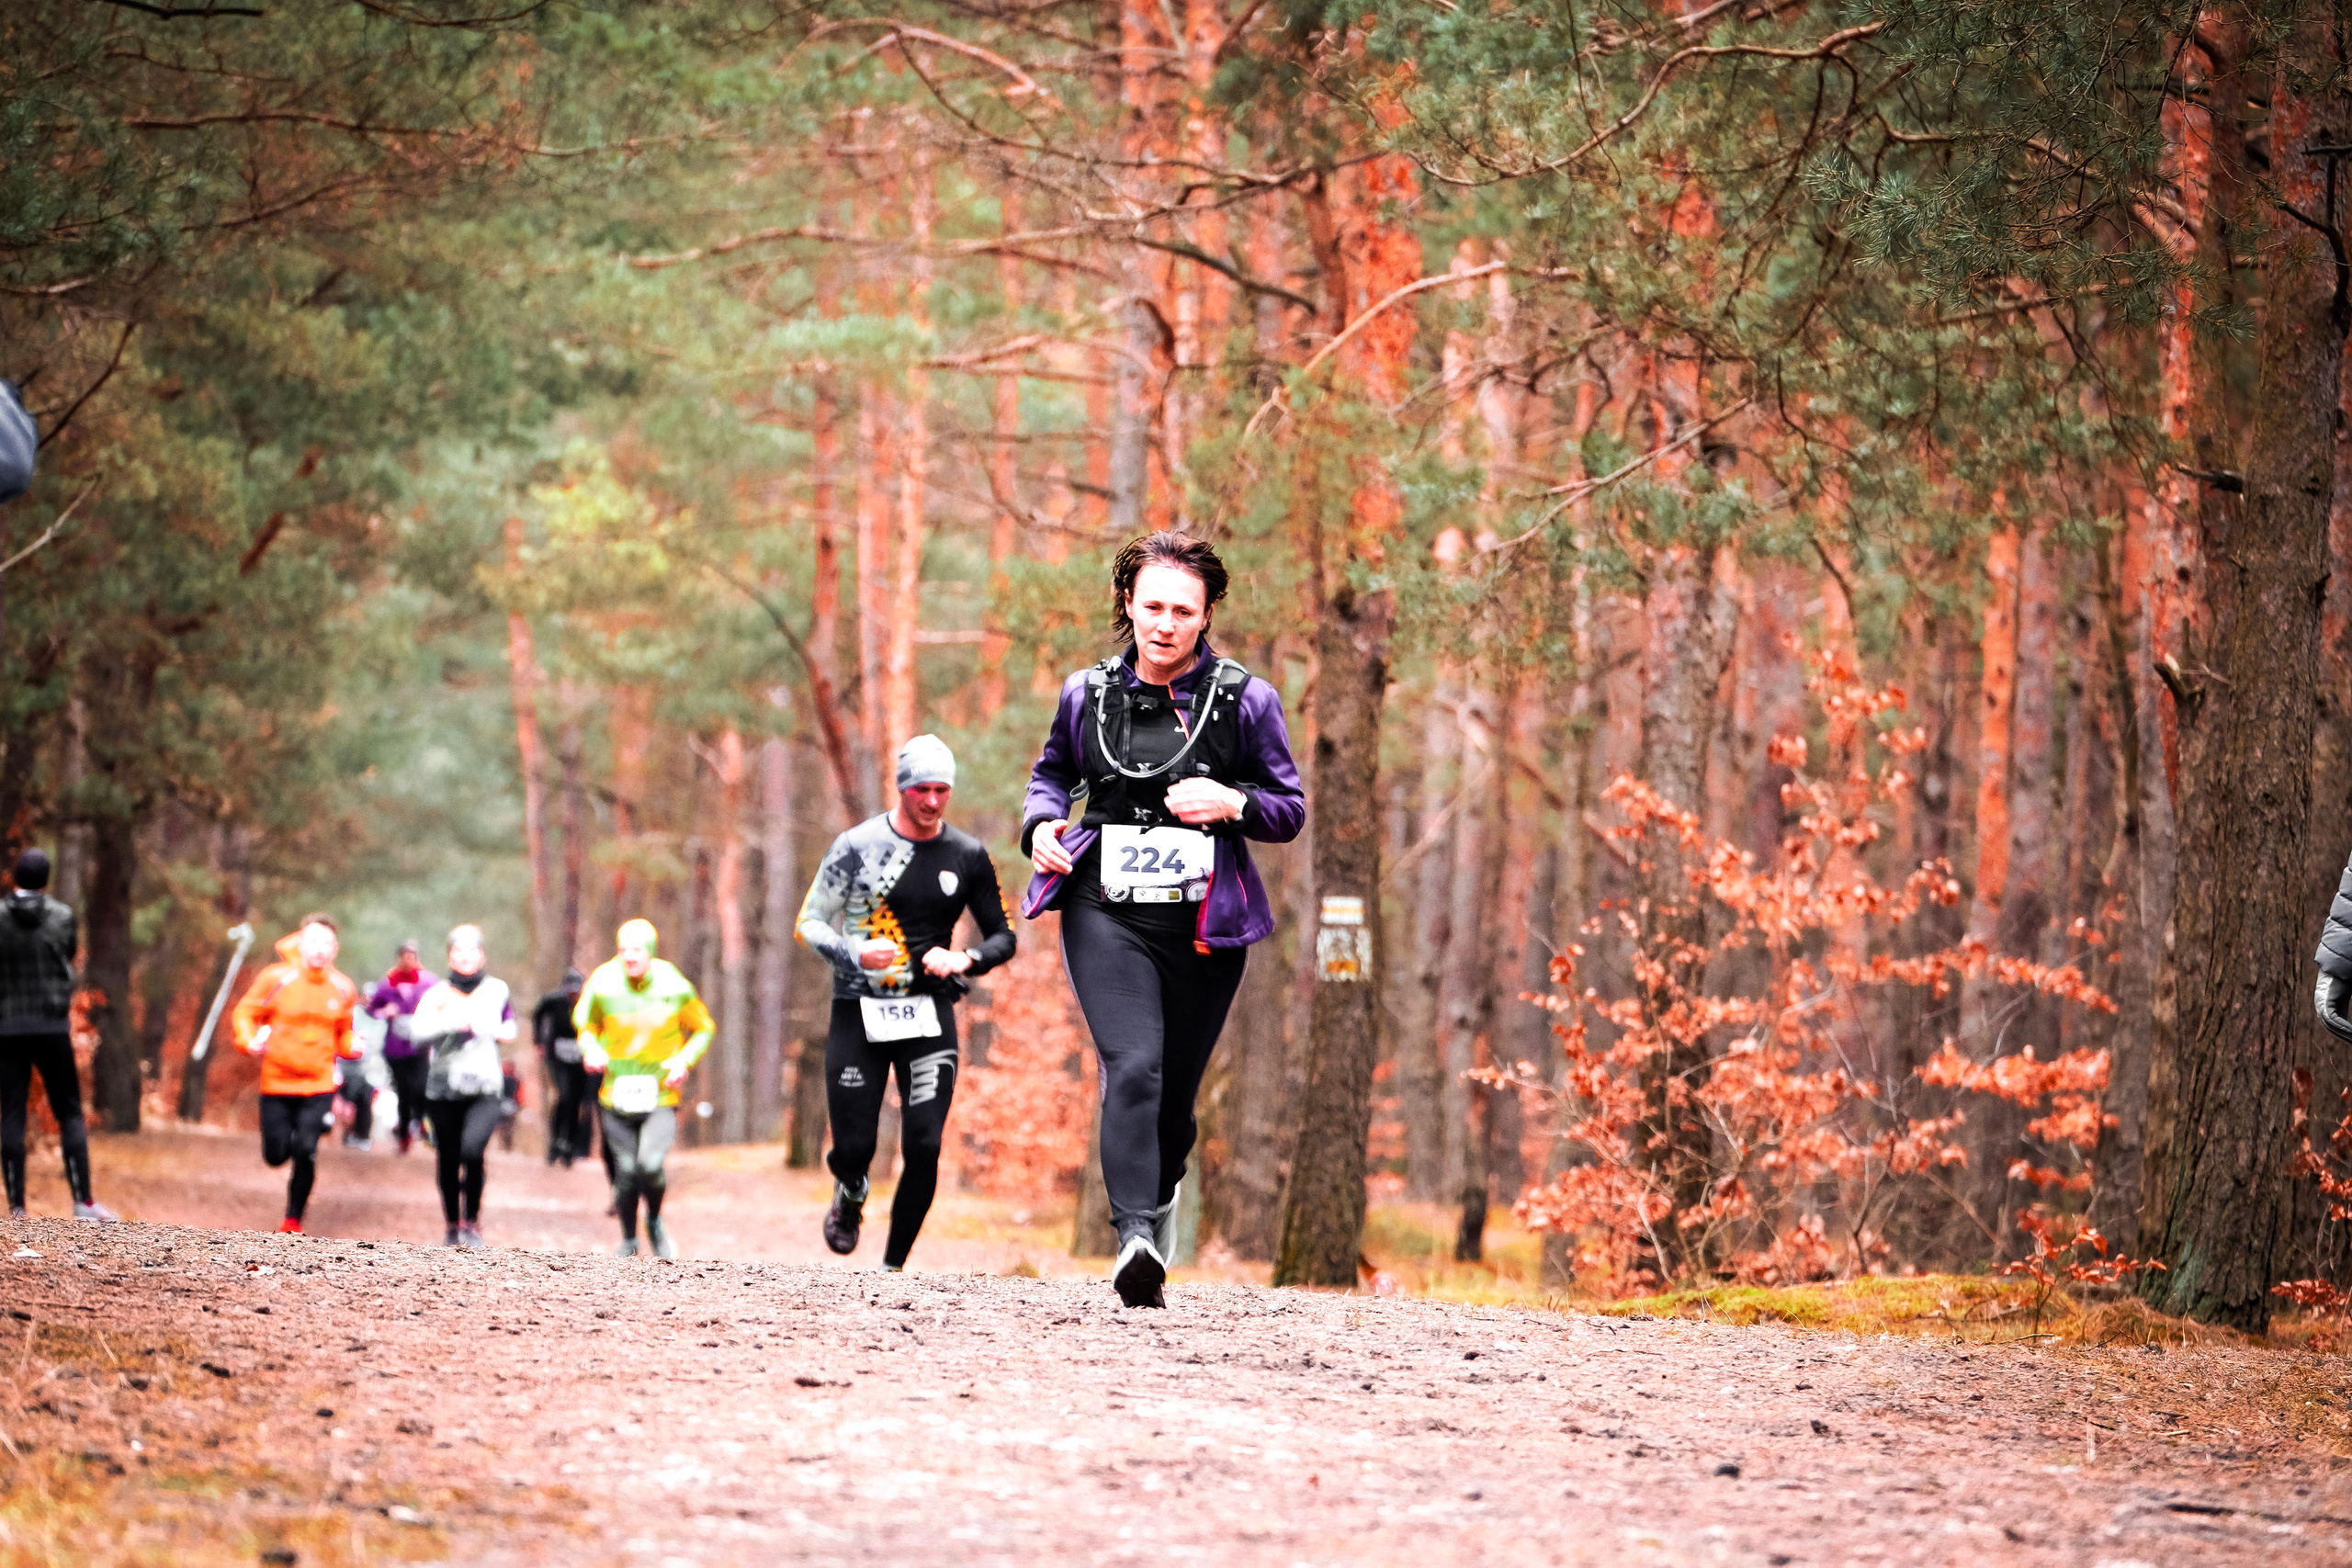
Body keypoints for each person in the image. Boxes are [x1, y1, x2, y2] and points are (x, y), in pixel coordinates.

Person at [1022, 531, 1303, 1307]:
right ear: (1128, 603)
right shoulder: (1086, 692)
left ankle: (1160, 1192)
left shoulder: (1246, 699)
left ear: (1207, 614)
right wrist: (1040, 825)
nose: (1166, 623)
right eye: (1152, 606)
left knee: (1173, 1103)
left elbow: (1289, 809)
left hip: (1204, 926)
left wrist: (1233, 800)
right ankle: (1135, 1237)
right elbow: (1052, 774)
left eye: (1183, 610)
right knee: (1134, 1065)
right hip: (1103, 907)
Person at [797, 734, 1016, 1271]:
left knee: (924, 1145)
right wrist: (854, 952)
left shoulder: (966, 854)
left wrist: (964, 959)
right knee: (854, 1147)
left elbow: (1003, 937)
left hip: (928, 1014)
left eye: (943, 790)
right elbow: (809, 922)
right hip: (859, 1010)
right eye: (922, 790)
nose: (933, 801)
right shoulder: (857, 846)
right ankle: (850, 1192)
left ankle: (893, 1268)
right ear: (902, 788)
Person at [572, 919, 712, 1259]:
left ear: (651, 951)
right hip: (615, 1095)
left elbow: (703, 1027)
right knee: (626, 1170)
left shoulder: (674, 984)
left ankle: (654, 1220)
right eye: (623, 950)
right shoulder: (603, 981)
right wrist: (591, 1049)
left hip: (660, 1095)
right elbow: (584, 1022)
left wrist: (683, 1061)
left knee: (650, 1166)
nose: (629, 957)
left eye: (636, 950)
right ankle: (629, 1239)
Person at [0, 848, 117, 1222]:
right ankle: (83, 1201)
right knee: (69, 1111)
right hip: (51, 1026)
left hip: (8, 1027)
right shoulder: (63, 916)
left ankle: (17, 1207)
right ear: (46, 880)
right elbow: (67, 956)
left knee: (12, 1112)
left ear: (15, 876)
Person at [232, 913, 362, 1234]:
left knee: (306, 1149)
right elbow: (245, 1012)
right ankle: (295, 1138)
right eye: (314, 941)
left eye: (327, 943)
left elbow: (344, 1033)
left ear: (335, 949)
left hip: (319, 1083)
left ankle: (292, 1220)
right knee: (275, 1155)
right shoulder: (276, 978)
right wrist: (249, 1040)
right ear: (300, 943)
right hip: (277, 1082)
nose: (320, 949)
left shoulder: (343, 987)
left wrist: (352, 1045)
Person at [409, 926, 516, 1248]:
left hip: (485, 1087)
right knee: (448, 1157)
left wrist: (501, 1031)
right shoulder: (436, 994)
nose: (466, 957)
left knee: (472, 1150)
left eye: (472, 951)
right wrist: (450, 1024)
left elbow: (510, 1025)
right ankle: (453, 1225)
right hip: (443, 1088)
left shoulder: (497, 989)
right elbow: (416, 1034)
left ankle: (472, 1222)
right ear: (449, 957)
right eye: (458, 951)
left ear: (482, 955)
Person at [366, 941, 438, 1155]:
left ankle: (422, 1123)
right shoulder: (387, 984)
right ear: (398, 958)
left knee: (421, 1087)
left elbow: (442, 1006)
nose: (408, 960)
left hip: (420, 1046)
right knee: (403, 1091)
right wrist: (385, 1012)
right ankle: (404, 1134)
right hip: (395, 1047)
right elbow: (372, 1009)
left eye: (412, 956)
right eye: (404, 956)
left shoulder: (428, 982)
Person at [534, 968, 594, 1167]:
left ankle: (570, 1145)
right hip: (557, 1055)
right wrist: (539, 1042)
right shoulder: (552, 1001)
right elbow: (537, 1015)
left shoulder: (589, 1002)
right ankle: (555, 1141)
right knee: (563, 1096)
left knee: (576, 1101)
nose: (573, 994)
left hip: (582, 1056)